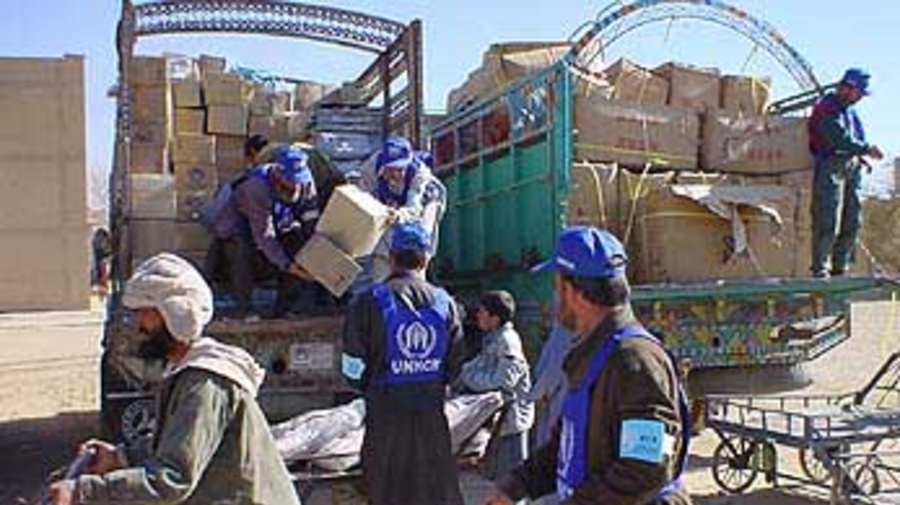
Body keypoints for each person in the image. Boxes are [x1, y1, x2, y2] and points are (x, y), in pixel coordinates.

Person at [47, 253, 300, 505]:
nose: (138, 325)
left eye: (145, 314)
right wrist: (119, 458)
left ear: (173, 315)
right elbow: (177, 440)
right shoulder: (189, 373)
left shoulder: (204, 383)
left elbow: (173, 478)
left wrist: (84, 492)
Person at [484, 226, 692, 505]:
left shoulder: (635, 360)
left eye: (556, 285)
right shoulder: (595, 352)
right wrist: (515, 486)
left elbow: (645, 468)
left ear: (572, 292)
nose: (554, 296)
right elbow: (566, 445)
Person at [341, 222, 466, 505]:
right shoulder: (446, 303)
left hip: (385, 423)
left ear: (391, 257)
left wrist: (368, 388)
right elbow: (455, 365)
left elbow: (351, 366)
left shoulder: (367, 302)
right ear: (426, 259)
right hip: (431, 424)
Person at [206, 144, 318, 319]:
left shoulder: (305, 180)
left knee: (296, 240)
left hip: (277, 222)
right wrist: (288, 266)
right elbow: (264, 235)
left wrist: (315, 249)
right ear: (277, 173)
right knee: (242, 251)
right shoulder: (256, 186)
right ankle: (243, 309)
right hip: (240, 225)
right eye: (291, 179)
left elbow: (310, 213)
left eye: (299, 180)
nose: (296, 185)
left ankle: (285, 308)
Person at [808, 68, 884, 278]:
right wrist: (866, 149)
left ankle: (840, 268)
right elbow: (838, 138)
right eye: (858, 92)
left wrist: (861, 156)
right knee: (828, 218)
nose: (860, 98)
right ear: (848, 88)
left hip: (852, 166)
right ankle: (821, 269)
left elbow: (855, 139)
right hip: (831, 165)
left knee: (853, 220)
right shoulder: (826, 108)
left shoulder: (850, 112)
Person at [456, 290, 534, 480]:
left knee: (512, 481)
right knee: (499, 482)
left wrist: (469, 378)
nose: (478, 315)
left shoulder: (507, 341)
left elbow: (504, 381)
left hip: (511, 424)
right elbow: (473, 367)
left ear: (495, 318)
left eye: (482, 311)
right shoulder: (493, 338)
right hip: (500, 423)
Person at [360, 136, 447, 282]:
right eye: (391, 169)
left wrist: (398, 215)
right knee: (382, 241)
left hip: (426, 201)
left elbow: (414, 209)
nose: (396, 174)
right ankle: (383, 281)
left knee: (417, 239)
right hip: (389, 203)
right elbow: (364, 200)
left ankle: (417, 281)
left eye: (400, 169)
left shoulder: (420, 174)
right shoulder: (370, 169)